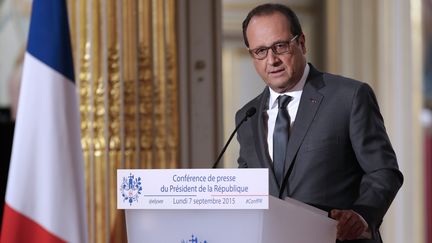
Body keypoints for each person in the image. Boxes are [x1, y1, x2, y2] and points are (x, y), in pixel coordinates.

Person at [235, 3, 403, 243]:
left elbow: (384, 171)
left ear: (302, 43)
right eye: (260, 51)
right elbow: (249, 188)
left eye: (280, 46)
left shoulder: (349, 97)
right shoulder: (246, 116)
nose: (271, 60)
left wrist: (362, 214)